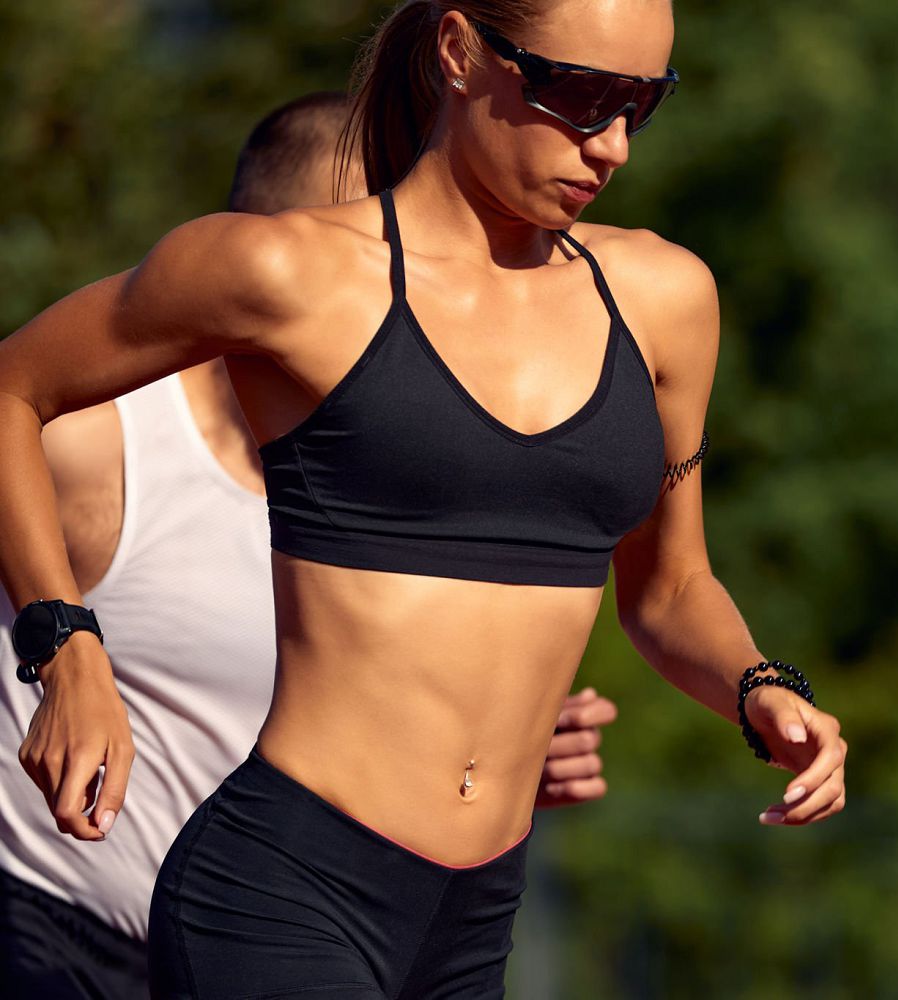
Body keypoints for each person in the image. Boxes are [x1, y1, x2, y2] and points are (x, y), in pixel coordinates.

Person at [0, 2, 848, 997]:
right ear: (457, 51)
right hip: (283, 894)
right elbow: (15, 387)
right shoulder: (290, 271)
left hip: (476, 918)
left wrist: (758, 686)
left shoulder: (664, 301)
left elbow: (668, 591)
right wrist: (65, 646)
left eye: (641, 105)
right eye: (577, 94)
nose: (611, 144)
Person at [0, 89, 617, 999]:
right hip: (44, 928)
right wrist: (64, 648)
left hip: (253, 951)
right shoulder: (106, 445)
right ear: (268, 254)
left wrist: (501, 763)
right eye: (380, 246)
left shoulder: (398, 498)